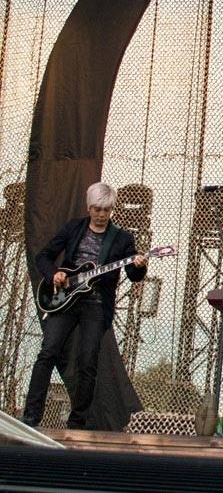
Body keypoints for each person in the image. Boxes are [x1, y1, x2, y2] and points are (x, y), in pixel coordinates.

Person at [21, 182, 147, 428]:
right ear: (89, 207)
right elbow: (43, 257)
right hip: (64, 300)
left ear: (112, 210)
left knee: (87, 362)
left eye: (106, 210)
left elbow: (133, 275)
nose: (101, 215)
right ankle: (31, 415)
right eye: (97, 209)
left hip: (96, 304)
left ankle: (77, 421)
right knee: (48, 352)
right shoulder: (73, 228)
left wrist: (140, 266)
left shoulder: (122, 239)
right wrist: (54, 275)